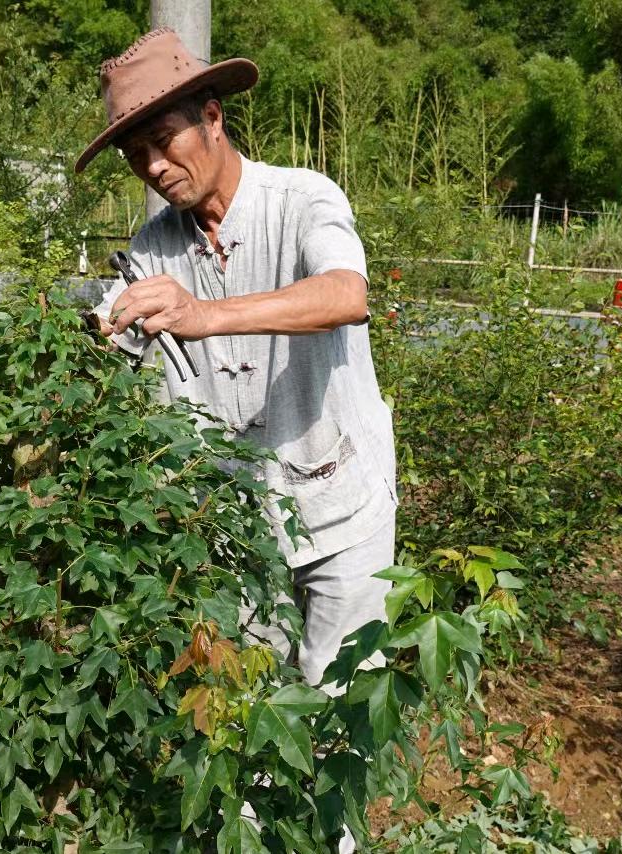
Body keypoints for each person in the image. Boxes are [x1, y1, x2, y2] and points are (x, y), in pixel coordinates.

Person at [76, 27, 397, 695]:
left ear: (213, 119)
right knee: (249, 708)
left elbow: (346, 294)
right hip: (238, 523)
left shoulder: (304, 199)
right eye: (136, 155)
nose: (154, 167)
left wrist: (202, 315)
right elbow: (121, 339)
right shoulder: (154, 243)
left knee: (340, 698)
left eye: (164, 141)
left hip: (342, 504)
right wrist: (93, 336)